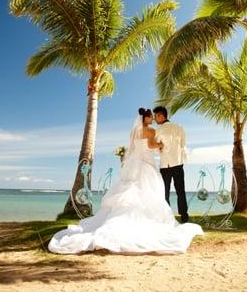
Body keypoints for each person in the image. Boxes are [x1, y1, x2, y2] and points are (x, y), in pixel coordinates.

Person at [48, 108, 203, 254]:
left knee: (139, 188)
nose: (154, 119)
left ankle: (160, 215)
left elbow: (133, 148)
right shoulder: (157, 130)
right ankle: (175, 216)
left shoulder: (135, 131)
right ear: (147, 117)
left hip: (137, 163)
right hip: (158, 162)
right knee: (161, 190)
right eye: (152, 117)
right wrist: (161, 145)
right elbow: (153, 145)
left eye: (156, 116)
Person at [153, 106, 189, 223]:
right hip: (178, 163)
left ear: (161, 116)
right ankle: (184, 215)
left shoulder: (158, 130)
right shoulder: (180, 127)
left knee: (165, 192)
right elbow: (183, 144)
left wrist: (161, 149)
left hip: (166, 165)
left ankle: (167, 217)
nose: (154, 119)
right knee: (180, 191)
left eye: (155, 116)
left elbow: (157, 147)